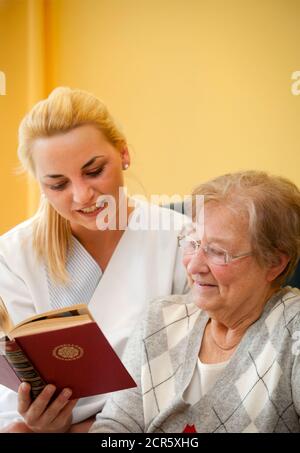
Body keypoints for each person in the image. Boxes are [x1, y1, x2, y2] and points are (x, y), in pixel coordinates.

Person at [0, 87, 188, 432]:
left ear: (124, 153)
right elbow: (16, 386)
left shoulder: (179, 239)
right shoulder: (14, 255)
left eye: (94, 171)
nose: (82, 196)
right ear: (41, 186)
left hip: (145, 421)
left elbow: (193, 368)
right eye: (58, 185)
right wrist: (40, 420)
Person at [90, 170, 300, 433]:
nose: (195, 265)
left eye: (217, 252)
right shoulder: (160, 319)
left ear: (274, 263)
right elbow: (114, 426)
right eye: (192, 243)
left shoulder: (292, 327)